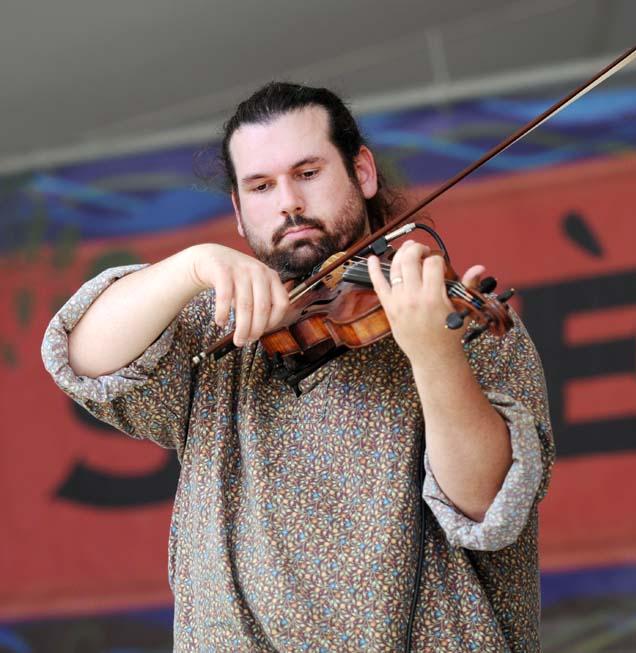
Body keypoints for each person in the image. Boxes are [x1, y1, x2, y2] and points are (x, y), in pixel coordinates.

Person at [42, 82, 554, 652]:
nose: (287, 202)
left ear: (361, 171)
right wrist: (190, 266)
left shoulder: (460, 323)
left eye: (307, 173)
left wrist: (433, 353)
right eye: (261, 186)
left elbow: (487, 506)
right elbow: (81, 357)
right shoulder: (224, 324)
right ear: (238, 210)